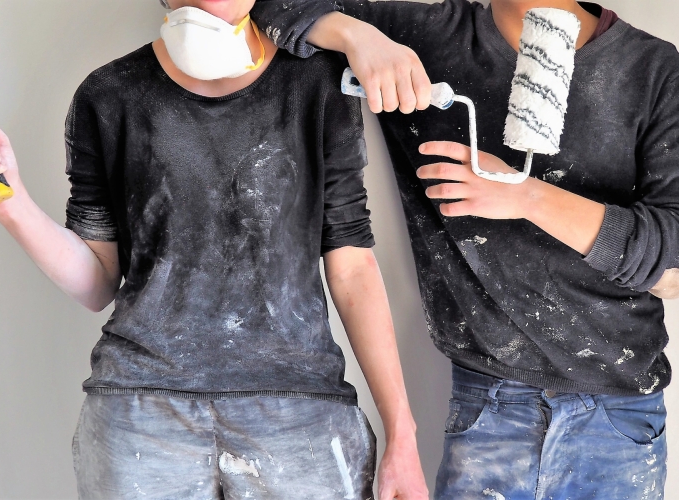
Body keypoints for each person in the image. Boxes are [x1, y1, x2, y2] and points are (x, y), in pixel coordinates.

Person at [0, 0, 430, 498]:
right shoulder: (108, 94)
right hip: (141, 411)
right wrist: (12, 204)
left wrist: (403, 433)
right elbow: (96, 283)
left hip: (300, 411)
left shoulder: (318, 83)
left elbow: (352, 266)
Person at [251, 0, 679, 498]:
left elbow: (671, 262)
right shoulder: (425, 37)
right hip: (489, 407)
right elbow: (260, 6)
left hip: (619, 416)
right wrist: (356, 37)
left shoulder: (652, 68)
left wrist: (526, 196)